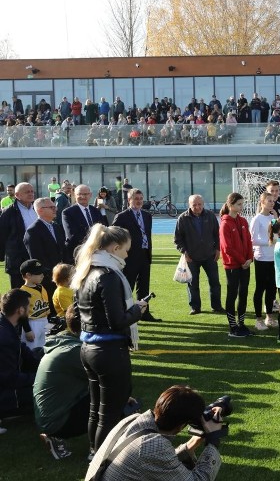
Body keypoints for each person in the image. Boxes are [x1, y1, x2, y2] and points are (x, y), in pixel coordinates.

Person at [75, 225, 148, 451]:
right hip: (108, 350)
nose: (127, 255)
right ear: (115, 248)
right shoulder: (108, 275)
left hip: (89, 346)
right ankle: (102, 459)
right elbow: (117, 320)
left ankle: (93, 451)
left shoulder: (88, 269)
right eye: (126, 250)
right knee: (110, 412)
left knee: (96, 407)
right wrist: (137, 310)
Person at [85, 385, 224, 480]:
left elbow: (160, 463)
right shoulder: (153, 446)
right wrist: (213, 441)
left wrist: (194, 442)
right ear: (181, 426)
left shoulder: (135, 420)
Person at [34, 305, 87, 460]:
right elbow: (107, 378)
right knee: (113, 400)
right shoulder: (73, 350)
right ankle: (97, 448)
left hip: (49, 416)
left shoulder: (65, 342)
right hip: (55, 421)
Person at [113, 188, 160, 322]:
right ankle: (124, 315)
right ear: (129, 200)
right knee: (128, 287)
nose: (139, 201)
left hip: (145, 255)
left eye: (140, 199)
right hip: (130, 257)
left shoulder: (147, 215)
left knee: (144, 287)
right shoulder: (122, 216)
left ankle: (144, 313)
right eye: (136, 199)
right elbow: (113, 235)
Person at [174, 195, 223, 315]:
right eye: (194, 205)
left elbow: (217, 234)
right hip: (191, 257)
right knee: (192, 283)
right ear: (189, 205)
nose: (197, 207)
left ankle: (216, 306)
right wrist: (184, 252)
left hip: (210, 256)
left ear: (203, 204)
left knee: (215, 282)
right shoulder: (183, 218)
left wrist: (217, 249)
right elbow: (177, 239)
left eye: (200, 204)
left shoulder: (210, 215)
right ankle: (195, 307)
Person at [0, 289, 40, 422]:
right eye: (28, 306)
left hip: (8, 381)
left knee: (40, 352)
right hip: (6, 392)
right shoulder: (5, 338)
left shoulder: (6, 325)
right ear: (20, 310)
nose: (30, 308)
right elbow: (9, 378)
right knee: (48, 391)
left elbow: (22, 349)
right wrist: (40, 378)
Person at [24, 197, 68, 316]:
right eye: (51, 207)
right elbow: (37, 258)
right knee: (52, 312)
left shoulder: (56, 227)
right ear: (40, 210)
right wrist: (51, 274)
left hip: (61, 277)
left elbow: (63, 250)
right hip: (47, 279)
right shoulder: (33, 231)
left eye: (55, 207)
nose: (55, 209)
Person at [219, 193, 253, 338]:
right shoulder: (225, 224)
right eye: (239, 204)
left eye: (242, 204)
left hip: (245, 264)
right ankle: (232, 326)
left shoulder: (243, 221)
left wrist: (250, 258)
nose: (241, 207)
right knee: (232, 294)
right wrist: (241, 260)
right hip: (232, 265)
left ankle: (242, 324)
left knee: (243, 294)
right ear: (230, 205)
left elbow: (249, 241)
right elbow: (227, 248)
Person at [0, 182, 37, 288]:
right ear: (17, 195)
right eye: (27, 192)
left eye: (31, 191)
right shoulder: (9, 212)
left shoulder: (36, 209)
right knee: (18, 294)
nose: (30, 194)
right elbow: (2, 235)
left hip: (35, 257)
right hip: (17, 260)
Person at [249, 192, 277, 331]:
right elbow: (252, 240)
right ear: (262, 202)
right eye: (269, 200)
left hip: (273, 258)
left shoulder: (273, 218)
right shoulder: (257, 219)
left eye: (273, 200)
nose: (272, 203)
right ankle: (258, 319)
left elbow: (276, 235)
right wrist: (268, 242)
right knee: (260, 288)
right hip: (261, 258)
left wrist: (277, 220)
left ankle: (269, 316)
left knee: (272, 288)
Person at [62, 184, 107, 259]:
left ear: (90, 195)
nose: (83, 196)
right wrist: (92, 243)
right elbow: (72, 235)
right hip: (79, 253)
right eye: (79, 194)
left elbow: (103, 228)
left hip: (97, 252)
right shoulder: (68, 212)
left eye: (85, 194)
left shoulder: (95, 211)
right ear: (75, 195)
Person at [19, 259, 52, 350]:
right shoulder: (23, 292)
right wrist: (28, 330)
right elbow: (23, 314)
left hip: (45, 321)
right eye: (39, 273)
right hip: (33, 324)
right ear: (28, 275)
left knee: (46, 347)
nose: (42, 275)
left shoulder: (41, 287)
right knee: (33, 349)